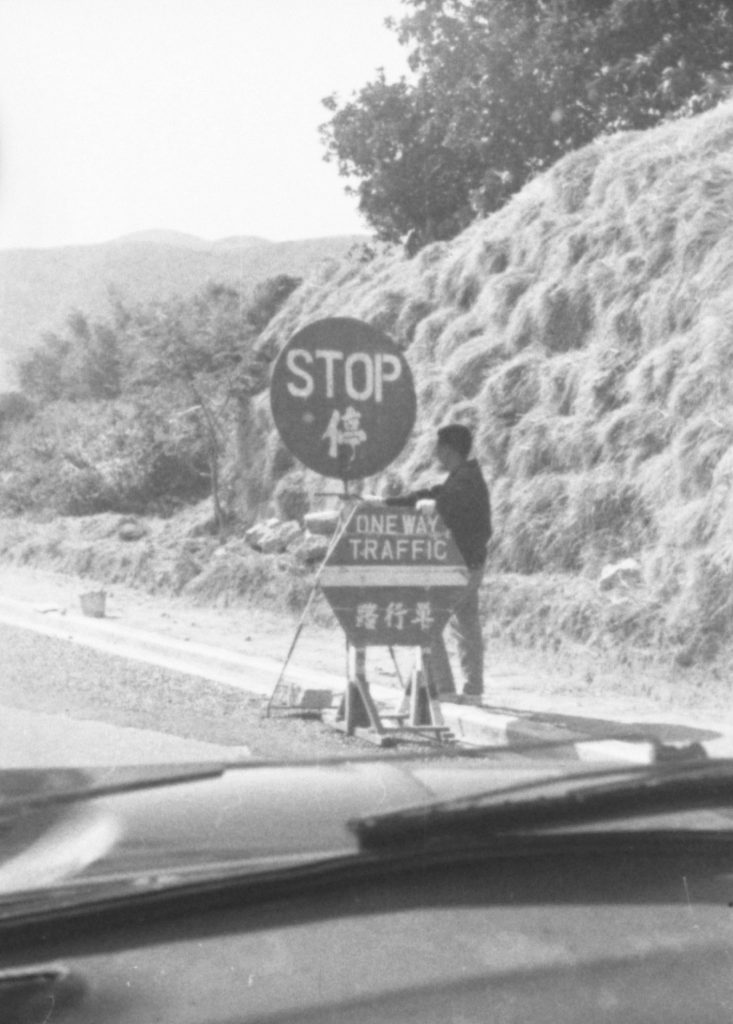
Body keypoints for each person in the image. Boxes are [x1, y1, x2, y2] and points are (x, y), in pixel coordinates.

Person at [385, 424, 491, 703]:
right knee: (466, 626)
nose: (434, 453)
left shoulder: (464, 482)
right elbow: (432, 495)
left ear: (447, 449)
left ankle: (444, 689)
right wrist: (390, 503)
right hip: (473, 565)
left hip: (460, 567)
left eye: (437, 448)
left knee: (427, 624)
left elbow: (445, 505)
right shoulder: (465, 477)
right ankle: (473, 691)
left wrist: (433, 508)